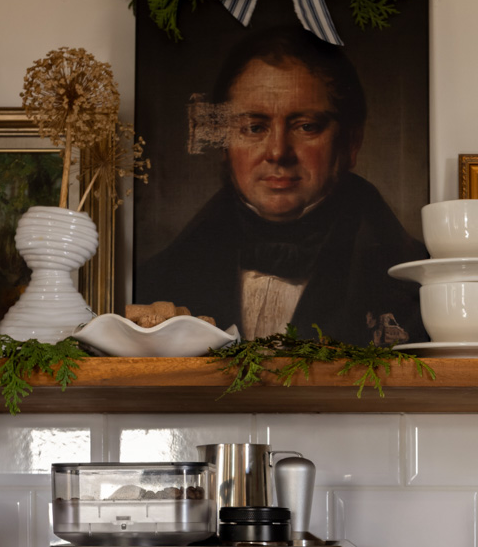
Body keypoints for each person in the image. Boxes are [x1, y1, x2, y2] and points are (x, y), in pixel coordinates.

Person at [139, 25, 425, 345]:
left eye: (306, 126)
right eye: (254, 127)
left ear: (351, 143)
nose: (277, 151)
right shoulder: (160, 278)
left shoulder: (417, 283)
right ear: (223, 143)